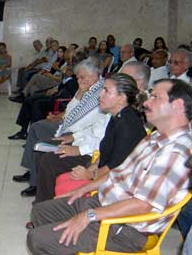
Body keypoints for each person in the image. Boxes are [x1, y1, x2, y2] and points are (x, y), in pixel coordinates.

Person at [27, 79, 192, 255]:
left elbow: (143, 205)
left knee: (37, 239)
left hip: (125, 227)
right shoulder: (156, 136)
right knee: (40, 212)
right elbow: (118, 171)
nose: (146, 102)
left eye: (155, 97)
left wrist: (89, 215)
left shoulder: (177, 153)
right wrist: (83, 189)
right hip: (105, 202)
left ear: (177, 105)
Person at [41, 73, 146, 202]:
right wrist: (92, 167)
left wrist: (90, 174)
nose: (100, 95)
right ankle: (48, 207)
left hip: (117, 182)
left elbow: (117, 166)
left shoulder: (128, 125)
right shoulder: (117, 116)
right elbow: (106, 152)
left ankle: (49, 209)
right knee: (60, 174)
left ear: (121, 97)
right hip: (101, 168)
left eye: (106, 91)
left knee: (63, 181)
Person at [12, 58, 109, 197]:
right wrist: (79, 94)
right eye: (78, 77)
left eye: (82, 77)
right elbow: (71, 111)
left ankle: (35, 181)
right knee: (36, 127)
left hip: (75, 132)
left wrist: (65, 128)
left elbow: (83, 123)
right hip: (69, 127)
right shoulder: (86, 87)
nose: (79, 81)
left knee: (39, 131)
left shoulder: (99, 93)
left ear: (93, 76)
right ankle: (33, 171)